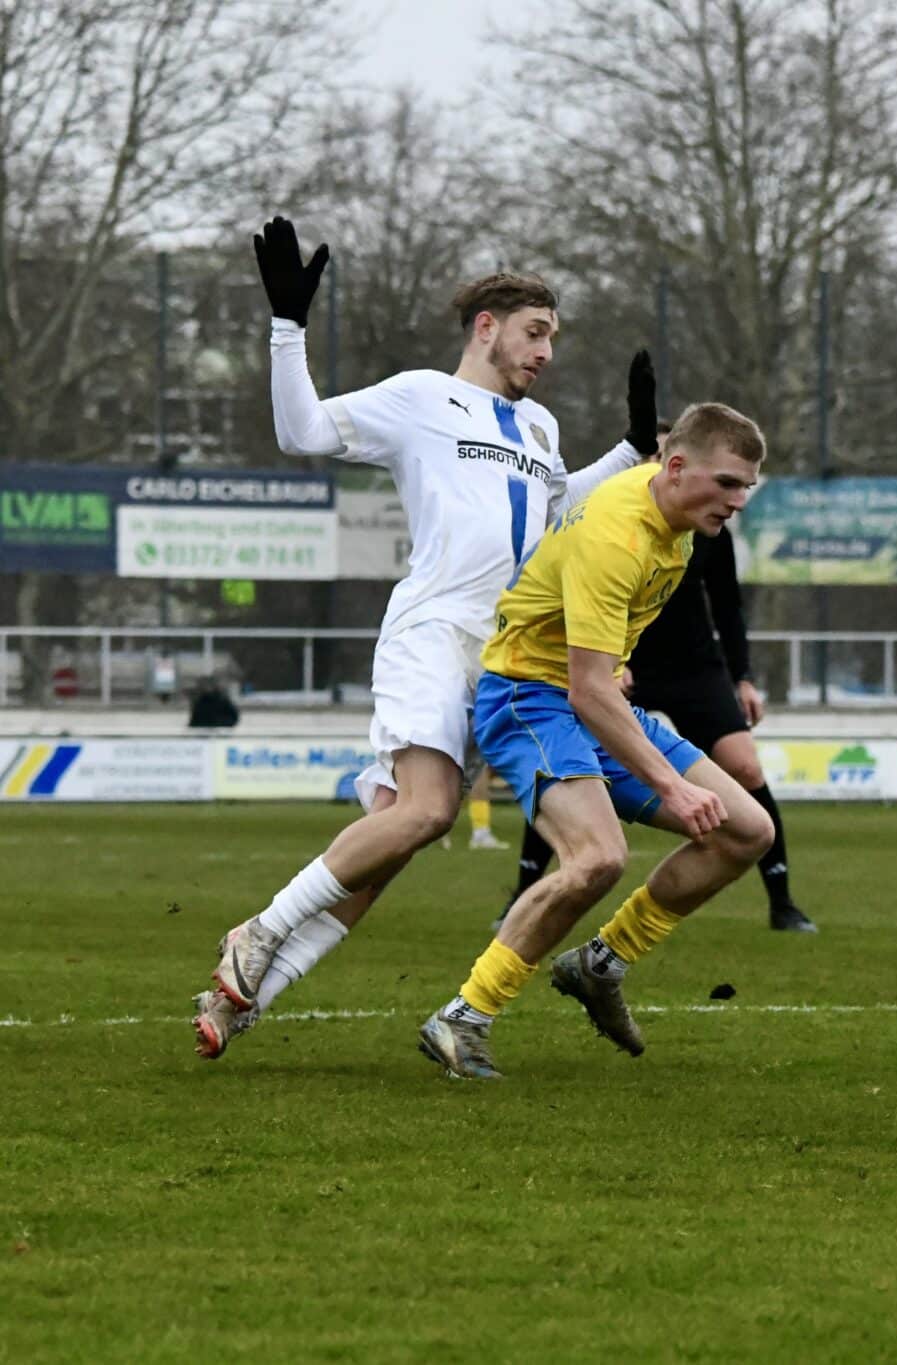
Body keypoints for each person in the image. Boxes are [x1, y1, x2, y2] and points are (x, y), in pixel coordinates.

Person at [189, 217, 651, 1060]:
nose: (547, 350)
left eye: (553, 336)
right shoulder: (418, 397)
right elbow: (304, 433)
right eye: (535, 332)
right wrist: (287, 328)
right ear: (488, 328)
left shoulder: (539, 430)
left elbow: (559, 508)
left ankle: (245, 995)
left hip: (503, 659)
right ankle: (258, 931)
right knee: (431, 811)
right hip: (434, 632)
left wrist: (633, 453)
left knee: (385, 851)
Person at [417, 403, 775, 1080]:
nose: (738, 500)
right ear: (674, 467)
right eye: (727, 482)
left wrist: (613, 664)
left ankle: (599, 963)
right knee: (596, 858)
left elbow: (598, 671)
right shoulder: (618, 534)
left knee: (746, 829)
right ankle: (462, 1016)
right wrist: (670, 783)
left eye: (745, 486)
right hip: (528, 696)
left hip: (590, 696)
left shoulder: (679, 525)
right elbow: (584, 689)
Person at [500, 515, 817, 931]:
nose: (734, 499)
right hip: (621, 661)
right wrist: (606, 662)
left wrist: (743, 677)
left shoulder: (708, 526)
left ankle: (782, 901)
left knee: (744, 766)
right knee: (571, 770)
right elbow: (584, 593)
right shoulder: (617, 514)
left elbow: (726, 601)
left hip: (695, 667)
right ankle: (523, 893)